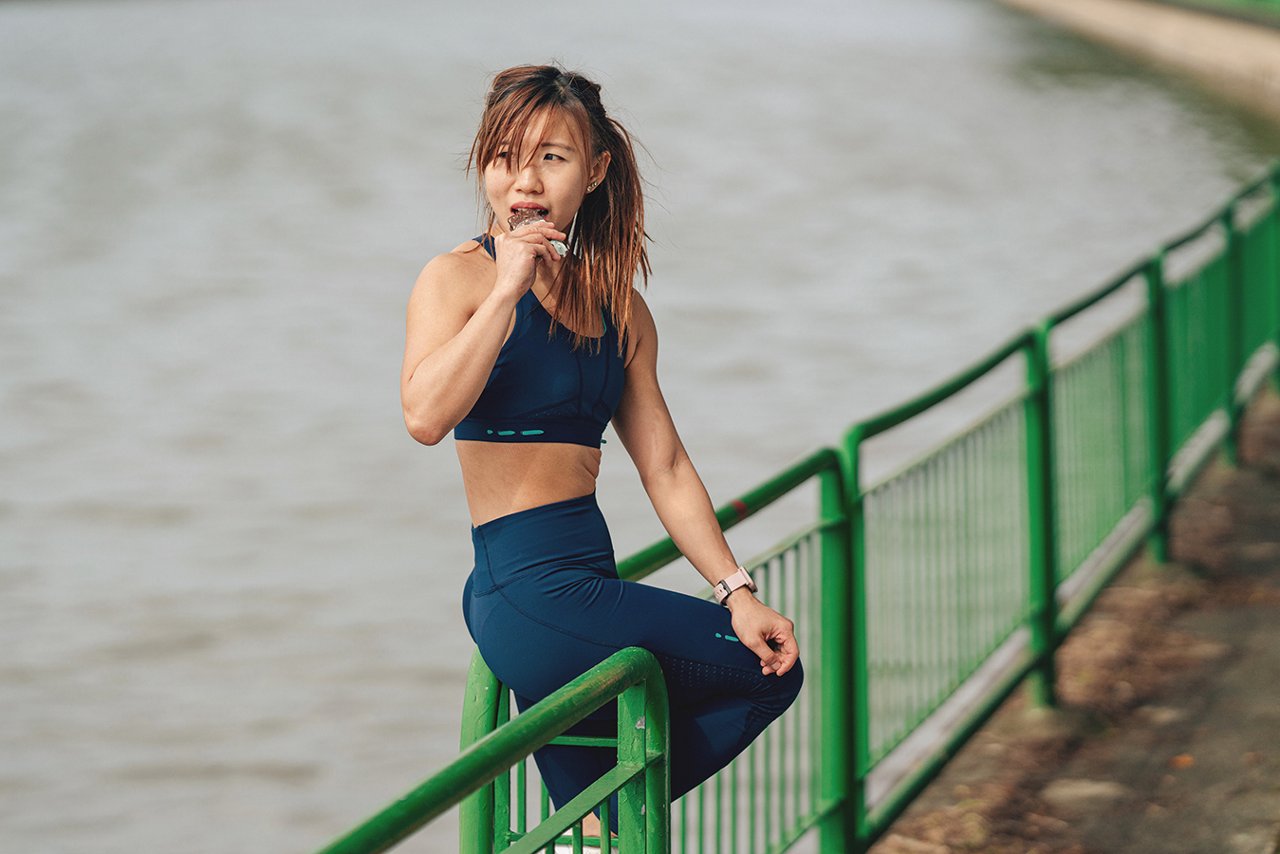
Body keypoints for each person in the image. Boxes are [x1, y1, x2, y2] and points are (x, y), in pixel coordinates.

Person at [400, 64, 802, 836]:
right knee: (762, 678)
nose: (524, 180)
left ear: (596, 170)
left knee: (753, 658)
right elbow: (424, 414)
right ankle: (601, 821)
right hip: (526, 591)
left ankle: (595, 826)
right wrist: (506, 289)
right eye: (504, 156)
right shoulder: (454, 279)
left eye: (551, 157)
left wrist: (737, 591)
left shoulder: (620, 306)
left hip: (585, 584)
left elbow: (666, 466)